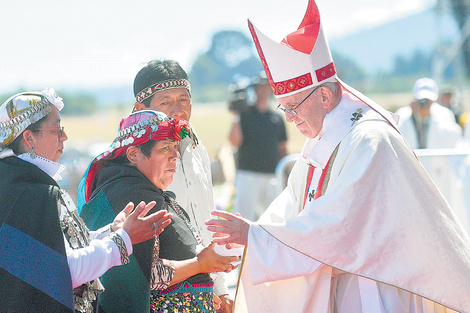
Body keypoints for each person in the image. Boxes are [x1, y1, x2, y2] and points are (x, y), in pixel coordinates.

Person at [205, 1, 470, 312]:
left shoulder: (371, 140)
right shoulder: (321, 139)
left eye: (293, 106)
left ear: (325, 96)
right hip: (343, 282)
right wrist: (257, 232)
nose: (289, 118)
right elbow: (293, 203)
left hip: (375, 286)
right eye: (284, 108)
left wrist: (262, 238)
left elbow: (338, 221)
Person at [0, 89, 172, 313]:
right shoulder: (30, 194)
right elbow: (63, 270)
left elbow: (59, 246)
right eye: (56, 129)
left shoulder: (19, 184)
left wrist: (111, 231)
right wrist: (123, 239)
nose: (64, 137)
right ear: (29, 137)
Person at [79, 110, 238, 312]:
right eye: (165, 148)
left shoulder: (146, 193)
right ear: (134, 154)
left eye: (174, 147)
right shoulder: (133, 198)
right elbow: (146, 274)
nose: (175, 156)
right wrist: (200, 264)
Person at [132, 59, 235, 312]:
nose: (177, 110)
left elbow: (205, 219)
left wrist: (219, 288)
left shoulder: (195, 146)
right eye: (165, 102)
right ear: (139, 108)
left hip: (206, 286)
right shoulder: (137, 158)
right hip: (168, 295)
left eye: (184, 100)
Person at [228, 72, 288, 221]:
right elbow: (234, 141)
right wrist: (235, 115)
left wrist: (286, 174)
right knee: (243, 217)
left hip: (271, 175)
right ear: (254, 90)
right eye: (261, 87)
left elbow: (282, 147)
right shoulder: (244, 114)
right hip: (248, 174)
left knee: (273, 219)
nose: (264, 91)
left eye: (267, 87)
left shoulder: (276, 118)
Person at [395, 77, 461, 149]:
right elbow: (396, 138)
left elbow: (453, 138)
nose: (424, 103)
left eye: (428, 100)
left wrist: (430, 117)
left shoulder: (445, 113)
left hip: (435, 159)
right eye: (421, 99)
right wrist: (413, 117)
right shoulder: (402, 114)